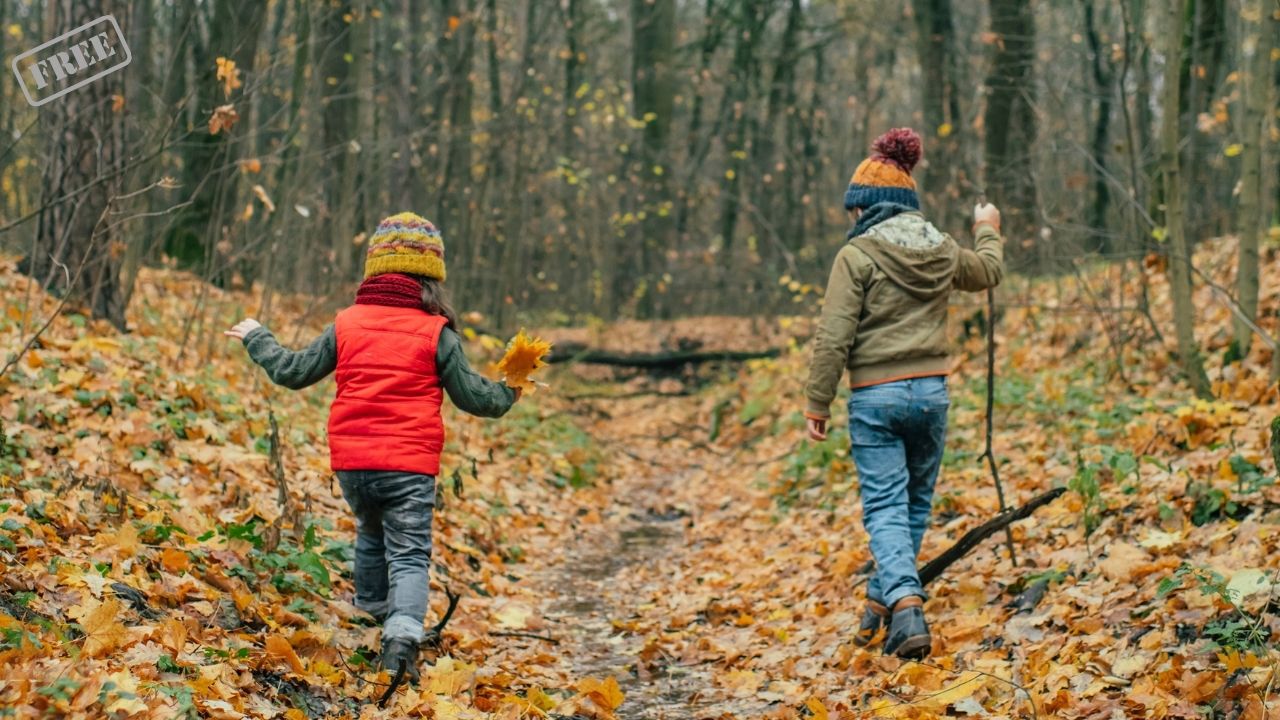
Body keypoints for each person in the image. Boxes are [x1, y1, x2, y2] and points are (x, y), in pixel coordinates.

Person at [225, 212, 520, 682]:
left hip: (353, 464)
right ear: (431, 277)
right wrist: (510, 389)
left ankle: (369, 621)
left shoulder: (346, 323)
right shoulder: (436, 332)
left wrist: (258, 338)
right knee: (408, 554)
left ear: (375, 269)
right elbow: (475, 398)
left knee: (370, 532)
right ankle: (400, 644)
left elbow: (292, 372)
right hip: (408, 464)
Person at [802, 128, 1004, 659]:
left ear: (867, 208)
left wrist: (817, 401)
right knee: (913, 505)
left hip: (876, 397)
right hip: (931, 395)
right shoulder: (941, 248)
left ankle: (908, 605)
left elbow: (834, 335)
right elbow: (988, 271)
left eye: (855, 207)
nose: (851, 216)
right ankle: (880, 605)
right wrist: (986, 228)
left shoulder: (856, 256)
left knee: (886, 507)